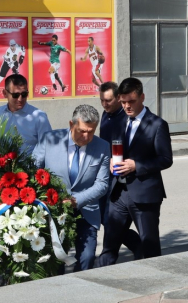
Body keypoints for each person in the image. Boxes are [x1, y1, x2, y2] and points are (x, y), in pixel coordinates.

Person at [98, 77, 173, 265]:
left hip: (144, 195)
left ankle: (154, 284)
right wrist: (110, 162)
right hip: (118, 193)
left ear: (142, 97)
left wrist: (136, 165)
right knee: (109, 247)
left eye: (131, 101)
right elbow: (114, 149)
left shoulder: (157, 124)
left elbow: (165, 159)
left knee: (149, 247)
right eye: (123, 102)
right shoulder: (119, 122)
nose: (127, 106)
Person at [33, 105, 110, 271]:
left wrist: (77, 200)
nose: (86, 136)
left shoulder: (102, 147)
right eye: (82, 130)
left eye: (91, 131)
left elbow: (102, 184)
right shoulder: (50, 140)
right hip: (54, 211)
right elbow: (33, 170)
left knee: (87, 258)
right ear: (71, 124)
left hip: (85, 210)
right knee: (55, 261)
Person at [98, 81, 142, 259]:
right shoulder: (105, 114)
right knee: (105, 219)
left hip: (121, 177)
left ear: (118, 98)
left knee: (112, 220)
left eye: (108, 100)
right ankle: (138, 246)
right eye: (102, 100)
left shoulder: (126, 118)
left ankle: (110, 257)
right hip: (106, 175)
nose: (105, 104)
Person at [0, 74, 52, 155]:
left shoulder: (39, 117)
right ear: (5, 93)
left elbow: (47, 147)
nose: (20, 99)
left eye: (24, 94)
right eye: (15, 95)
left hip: (30, 166)